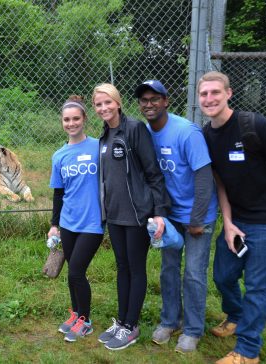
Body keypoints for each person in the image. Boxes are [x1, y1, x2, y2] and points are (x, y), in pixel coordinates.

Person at [199, 71, 266, 364]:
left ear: (229, 94)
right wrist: (229, 223)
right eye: (204, 94)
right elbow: (220, 183)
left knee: (258, 287)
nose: (209, 98)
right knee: (223, 275)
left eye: (215, 92)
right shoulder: (206, 135)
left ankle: (247, 351)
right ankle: (235, 315)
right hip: (238, 220)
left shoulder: (254, 126)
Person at [134, 80, 218, 353]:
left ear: (166, 101)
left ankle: (193, 330)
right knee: (169, 270)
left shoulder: (186, 132)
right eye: (144, 100)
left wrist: (197, 219)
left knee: (194, 273)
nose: (149, 104)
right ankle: (170, 320)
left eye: (154, 99)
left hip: (197, 213)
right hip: (168, 218)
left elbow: (204, 178)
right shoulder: (145, 134)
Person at [93, 83, 170, 350]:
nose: (103, 108)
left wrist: (158, 212)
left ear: (118, 102)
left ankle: (132, 326)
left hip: (138, 215)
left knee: (136, 269)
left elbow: (153, 173)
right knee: (122, 267)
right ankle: (122, 322)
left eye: (107, 102)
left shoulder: (135, 129)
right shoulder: (103, 136)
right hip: (114, 216)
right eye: (98, 104)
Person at [48, 96, 105, 343]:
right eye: (67, 119)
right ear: (62, 122)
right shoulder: (59, 155)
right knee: (73, 271)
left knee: (76, 272)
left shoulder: (98, 147)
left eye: (76, 119)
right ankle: (75, 315)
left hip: (92, 223)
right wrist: (54, 225)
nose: (71, 123)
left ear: (84, 120)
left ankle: (86, 321)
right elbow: (58, 194)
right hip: (68, 223)